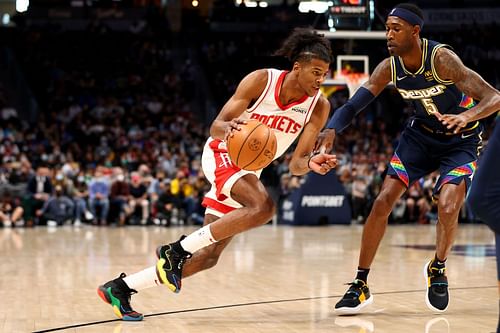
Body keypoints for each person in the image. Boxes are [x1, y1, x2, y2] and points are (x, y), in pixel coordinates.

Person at [97, 28, 337, 321]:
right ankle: (175, 250)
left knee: (208, 256)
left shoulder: (319, 106)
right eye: (315, 72)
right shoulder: (262, 80)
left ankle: (120, 288)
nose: (320, 80)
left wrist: (311, 163)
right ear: (297, 67)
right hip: (222, 152)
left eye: (324, 74)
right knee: (264, 207)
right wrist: (231, 129)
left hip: (249, 170)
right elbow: (216, 126)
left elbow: (295, 164)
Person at [315, 3, 500, 314]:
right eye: (387, 28)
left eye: (395, 28)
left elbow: (494, 97)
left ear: (415, 31)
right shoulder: (389, 67)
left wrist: (466, 116)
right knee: (382, 200)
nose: (388, 34)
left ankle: (438, 268)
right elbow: (353, 105)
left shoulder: (441, 59)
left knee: (450, 204)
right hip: (420, 138)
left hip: (460, 140)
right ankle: (360, 284)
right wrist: (332, 128)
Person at [436, 111, 500, 329]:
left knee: (482, 200)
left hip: (467, 136)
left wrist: (469, 115)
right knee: (485, 201)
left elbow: (492, 95)